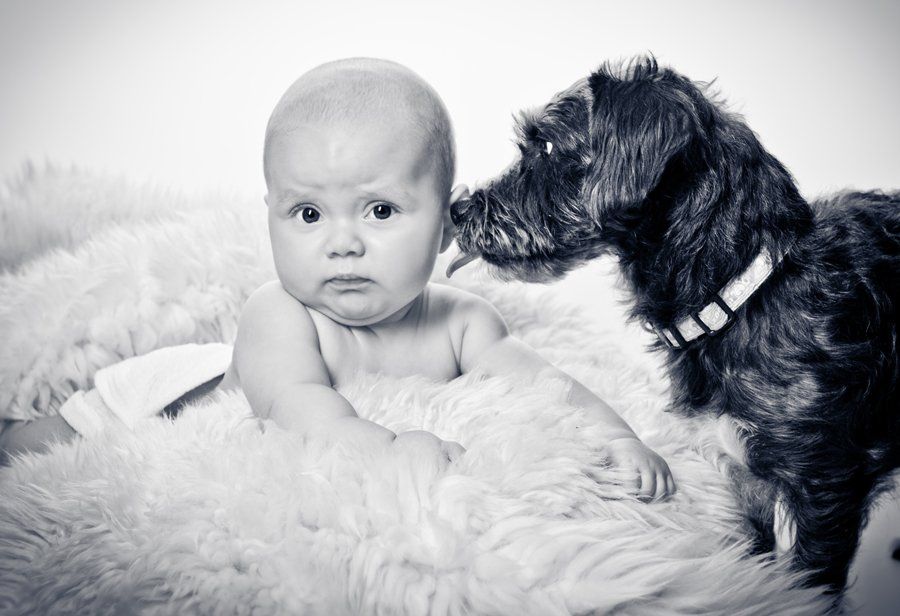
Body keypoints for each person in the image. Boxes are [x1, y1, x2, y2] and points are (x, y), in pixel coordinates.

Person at [1, 58, 676, 501]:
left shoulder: (463, 321)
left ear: (444, 227)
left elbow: (543, 384)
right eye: (308, 213)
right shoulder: (280, 316)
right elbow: (298, 407)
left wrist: (616, 436)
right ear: (271, 218)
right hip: (165, 391)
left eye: (380, 210)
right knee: (38, 444)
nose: (343, 242)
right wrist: (384, 451)